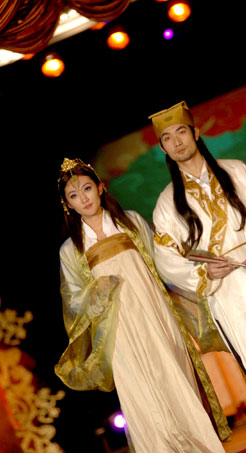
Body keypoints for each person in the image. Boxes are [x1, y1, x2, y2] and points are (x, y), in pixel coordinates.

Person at [149, 101, 246, 452]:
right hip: (230, 295)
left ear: (196, 133)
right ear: (163, 148)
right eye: (167, 138)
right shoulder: (167, 203)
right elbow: (166, 259)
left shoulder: (237, 170)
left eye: (182, 132)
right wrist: (202, 272)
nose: (177, 142)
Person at [54, 157, 230, 453]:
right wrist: (97, 289)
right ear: (67, 204)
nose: (83, 198)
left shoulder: (131, 222)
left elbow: (163, 261)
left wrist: (199, 261)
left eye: (86, 188)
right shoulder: (71, 250)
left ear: (100, 188)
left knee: (175, 380)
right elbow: (73, 302)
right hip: (119, 332)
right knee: (141, 395)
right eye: (74, 195)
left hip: (157, 317)